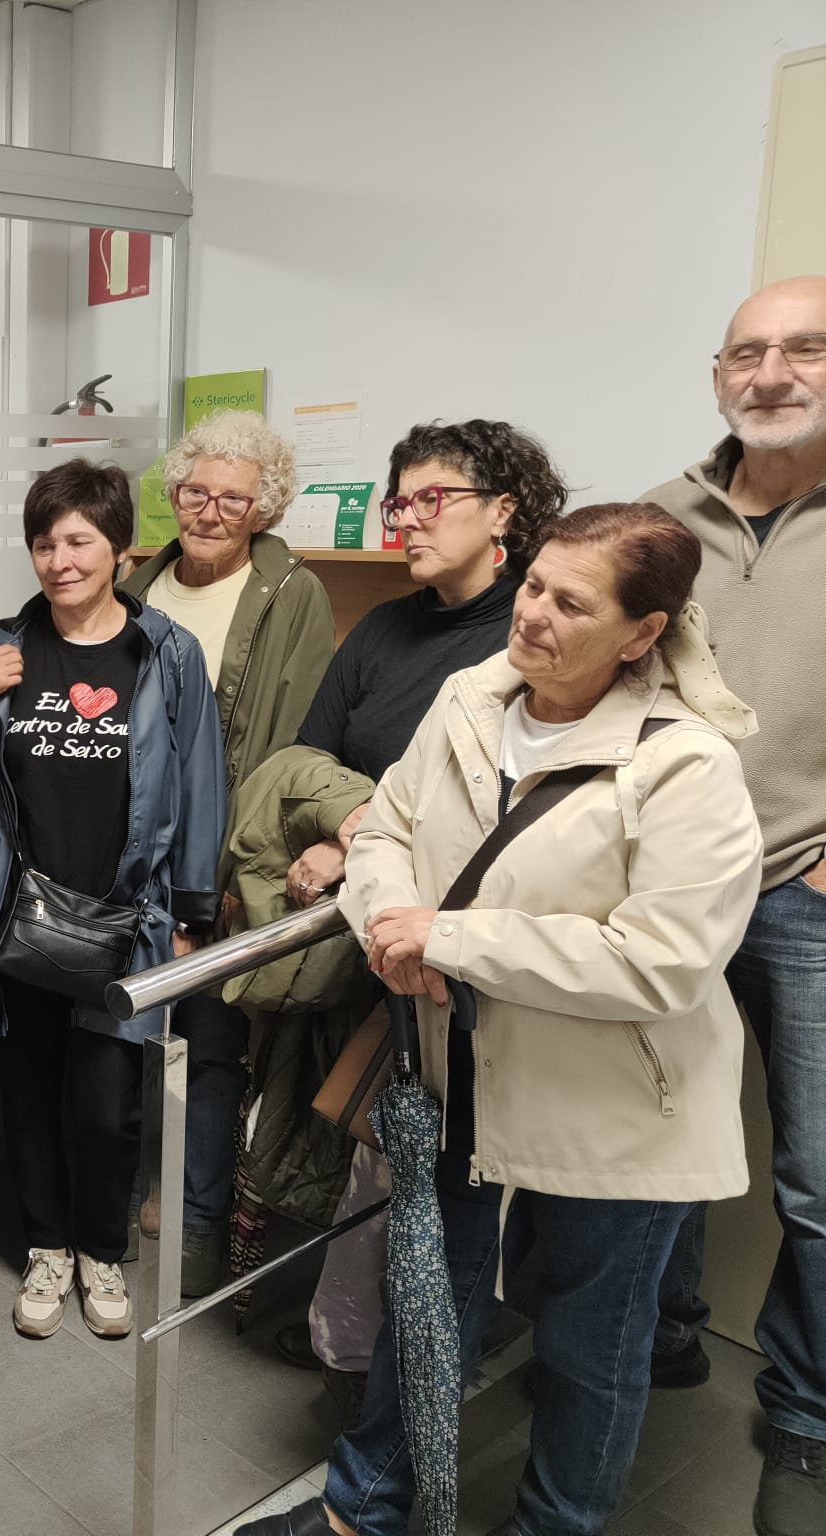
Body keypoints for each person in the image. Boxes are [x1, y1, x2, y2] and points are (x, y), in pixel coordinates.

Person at [239, 502, 762, 1536]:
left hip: (616, 1111)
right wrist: (392, 924)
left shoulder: (685, 765)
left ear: (643, 633)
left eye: (572, 604)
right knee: (424, 1308)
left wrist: (448, 939)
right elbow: (384, 830)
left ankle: (554, 1524)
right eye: (533, 586)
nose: (533, 614)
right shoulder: (470, 697)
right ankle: (360, 1511)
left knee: (588, 1348)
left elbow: (660, 961)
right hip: (461, 1080)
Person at [277, 419, 567, 1410]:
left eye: (430, 499)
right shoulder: (383, 629)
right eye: (398, 501)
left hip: (471, 949)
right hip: (375, 926)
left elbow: (504, 813)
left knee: (453, 1184)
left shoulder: (530, 639)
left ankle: (411, 1383)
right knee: (382, 1154)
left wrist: (360, 837)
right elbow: (308, 756)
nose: (405, 519)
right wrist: (345, 823)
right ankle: (359, 1364)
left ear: (504, 512)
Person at [0, 457, 226, 1342]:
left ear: (119, 550)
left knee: (107, 1105)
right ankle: (46, 1248)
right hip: (18, 913)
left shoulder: (166, 654)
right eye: (43, 543)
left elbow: (200, 781)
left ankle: (101, 1251)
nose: (59, 561)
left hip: (126, 918)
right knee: (26, 1094)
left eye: (78, 542)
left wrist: (192, 914)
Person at [643, 274, 826, 1536]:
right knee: (652, 1138)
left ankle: (803, 1417)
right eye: (744, 353)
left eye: (802, 348)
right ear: (716, 376)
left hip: (804, 893)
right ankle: (657, 1340)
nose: (768, 374)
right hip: (669, 888)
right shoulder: (661, 514)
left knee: (814, 1181)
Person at [119, 409, 334, 1292]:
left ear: (264, 508)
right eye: (194, 492)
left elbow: (287, 743)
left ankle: (197, 1218)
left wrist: (233, 874)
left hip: (217, 858)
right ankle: (129, 1193)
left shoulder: (292, 595)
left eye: (233, 499)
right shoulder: (138, 583)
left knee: (210, 1047)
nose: (209, 512)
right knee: (126, 1033)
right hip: (130, 857)